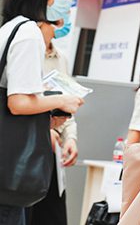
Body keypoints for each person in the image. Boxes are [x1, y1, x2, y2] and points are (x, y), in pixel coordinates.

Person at [0, 0, 84, 225]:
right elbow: (18, 102)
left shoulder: (11, 28)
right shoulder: (28, 33)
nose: (68, 0)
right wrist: (62, 100)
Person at [27, 20, 79, 225]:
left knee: (51, 215)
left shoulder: (61, 58)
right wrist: (43, 130)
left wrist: (70, 138)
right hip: (27, 150)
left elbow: (66, 101)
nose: (62, 22)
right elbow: (17, 103)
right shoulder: (25, 50)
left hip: (52, 154)